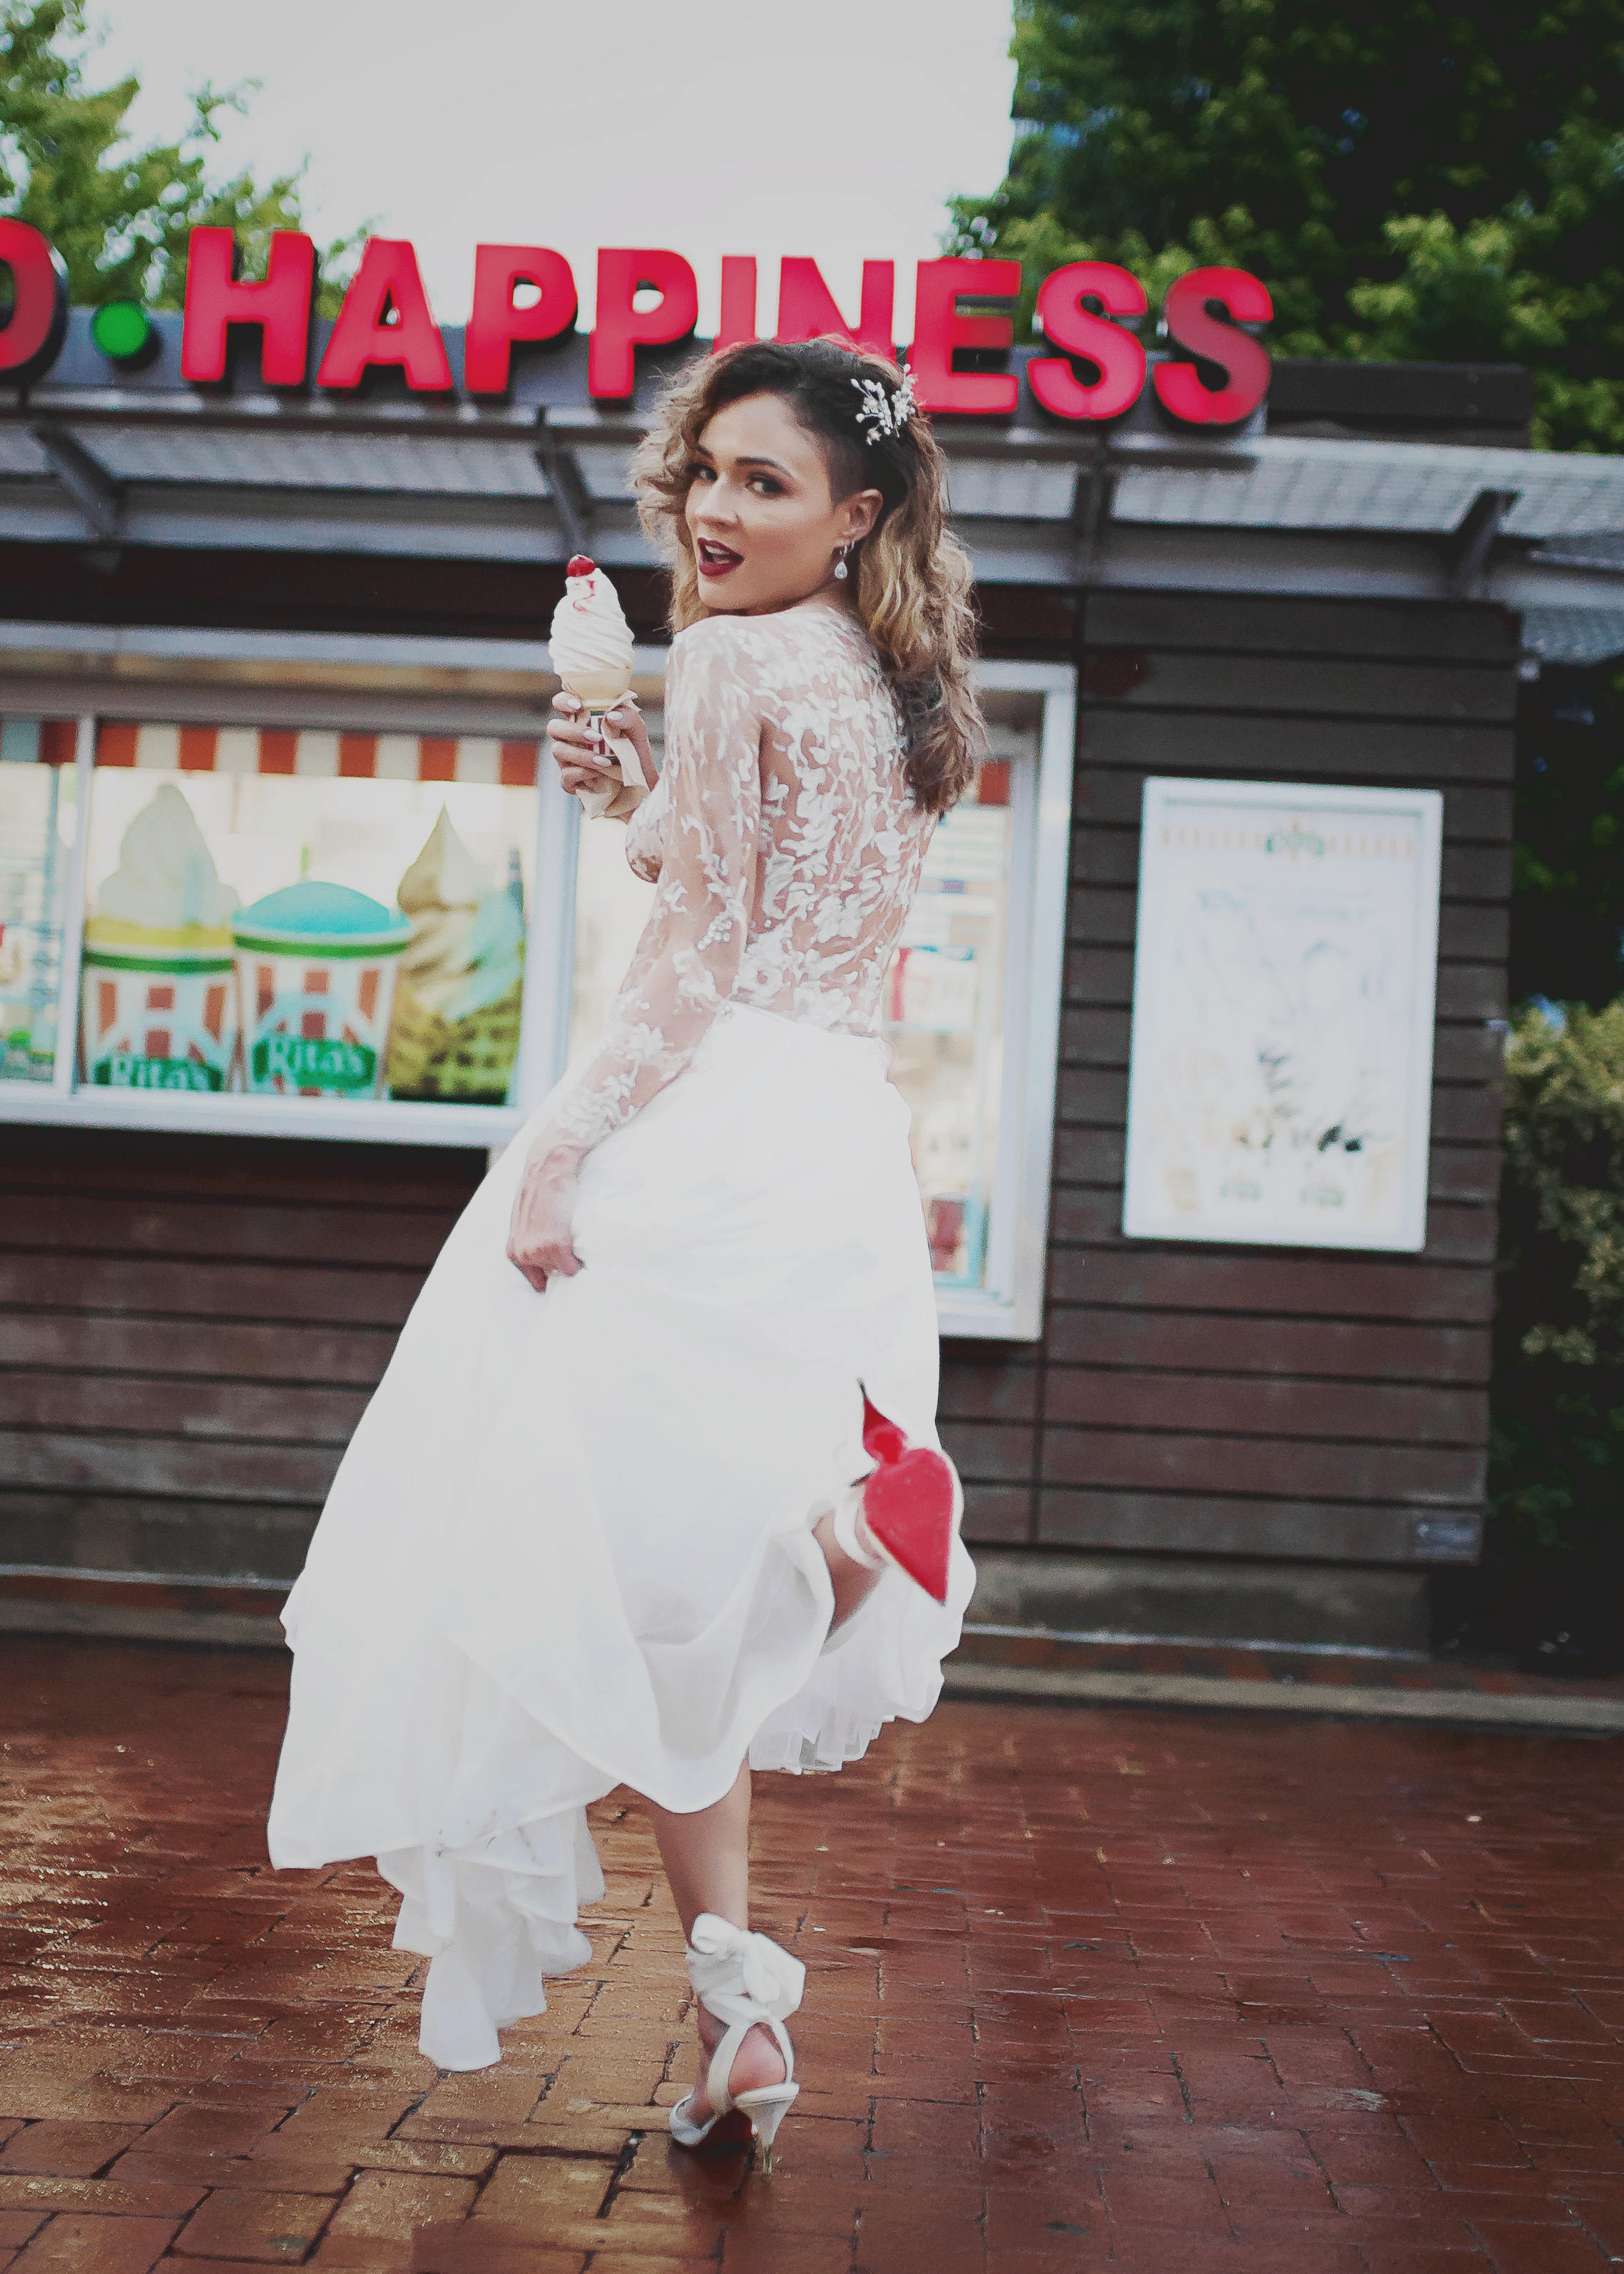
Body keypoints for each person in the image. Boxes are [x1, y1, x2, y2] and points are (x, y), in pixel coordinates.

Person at [266, 335, 984, 2170]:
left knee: (543, 1538)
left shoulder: (738, 652)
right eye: (705, 473)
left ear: (855, 510)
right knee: (658, 1605)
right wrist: (633, 797)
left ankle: (833, 1547)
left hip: (711, 1120)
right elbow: (757, 898)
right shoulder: (890, 676)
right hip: (833, 1141)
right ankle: (735, 2005)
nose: (717, 512)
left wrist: (565, 1151)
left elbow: (694, 963)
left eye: (766, 482)